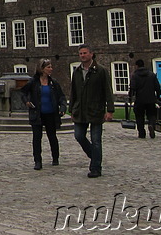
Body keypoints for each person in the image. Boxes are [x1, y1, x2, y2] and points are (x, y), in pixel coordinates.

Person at [69, 44, 115, 178]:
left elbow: (108, 90)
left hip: (95, 110)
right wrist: (71, 108)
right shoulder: (77, 71)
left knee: (96, 140)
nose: (82, 55)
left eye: (85, 53)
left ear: (91, 54)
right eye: (80, 53)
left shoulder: (100, 71)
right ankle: (94, 156)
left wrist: (110, 110)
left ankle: (96, 167)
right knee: (79, 136)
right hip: (80, 110)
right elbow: (74, 92)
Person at [22, 59, 67, 170]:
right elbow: (23, 92)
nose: (51, 69)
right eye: (48, 67)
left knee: (52, 136)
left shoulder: (53, 83)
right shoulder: (33, 82)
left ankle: (55, 158)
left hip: (51, 113)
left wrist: (62, 107)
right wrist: (27, 101)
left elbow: (61, 97)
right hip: (37, 113)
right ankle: (38, 161)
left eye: (51, 67)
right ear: (42, 69)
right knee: (37, 138)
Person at [128, 59, 161, 139]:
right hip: (150, 99)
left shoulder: (134, 76)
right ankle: (151, 125)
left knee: (139, 116)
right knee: (152, 114)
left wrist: (130, 97)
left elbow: (132, 88)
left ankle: (141, 133)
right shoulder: (152, 75)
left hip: (140, 100)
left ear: (137, 66)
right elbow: (157, 87)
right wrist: (158, 96)